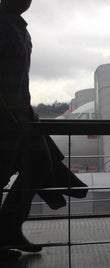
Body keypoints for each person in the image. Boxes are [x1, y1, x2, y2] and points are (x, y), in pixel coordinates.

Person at [0, 0, 47, 261]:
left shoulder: (19, 29)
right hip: (9, 118)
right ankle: (8, 231)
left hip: (19, 118)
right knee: (39, 165)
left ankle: (8, 231)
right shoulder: (10, 27)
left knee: (39, 165)